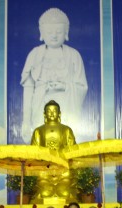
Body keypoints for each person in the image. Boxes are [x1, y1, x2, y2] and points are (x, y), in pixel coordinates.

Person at [21, 8, 87, 143]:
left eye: (59, 32)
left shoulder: (74, 55)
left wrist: (65, 86)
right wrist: (26, 121)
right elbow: (28, 88)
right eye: (50, 32)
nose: (54, 36)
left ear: (66, 32)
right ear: (42, 33)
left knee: (66, 143)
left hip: (66, 106)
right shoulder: (34, 55)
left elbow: (82, 86)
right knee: (41, 143)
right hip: (41, 105)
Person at [30, 101, 78, 201]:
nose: (51, 113)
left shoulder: (66, 130)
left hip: (63, 171)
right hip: (45, 171)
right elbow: (34, 153)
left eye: (54, 111)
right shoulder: (38, 131)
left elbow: (73, 152)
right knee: (45, 193)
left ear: (59, 113)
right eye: (49, 111)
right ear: (44, 114)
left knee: (64, 193)